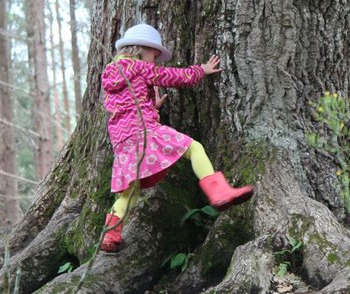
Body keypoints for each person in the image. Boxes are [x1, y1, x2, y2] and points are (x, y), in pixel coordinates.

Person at [99, 23, 254, 252]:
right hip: (144, 132)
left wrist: (151, 104)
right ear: (142, 49)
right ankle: (219, 192)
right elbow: (172, 76)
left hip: (123, 142)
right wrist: (201, 70)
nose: (156, 59)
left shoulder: (112, 73)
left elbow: (124, 105)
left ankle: (109, 237)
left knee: (130, 191)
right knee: (194, 148)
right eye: (154, 54)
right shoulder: (140, 67)